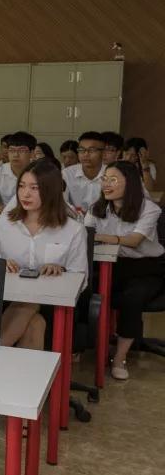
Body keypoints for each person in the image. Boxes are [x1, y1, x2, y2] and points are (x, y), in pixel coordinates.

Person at [0, 160, 87, 349]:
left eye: (34, 188)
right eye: (22, 186)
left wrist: (61, 269)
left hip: (55, 305)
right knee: (35, 322)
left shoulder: (73, 229)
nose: (25, 194)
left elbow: (81, 278)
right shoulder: (3, 225)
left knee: (30, 306)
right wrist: (2, 265)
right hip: (7, 300)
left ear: (51, 191)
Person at [85, 161, 165, 380]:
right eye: (104, 179)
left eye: (113, 180)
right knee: (82, 289)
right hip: (110, 264)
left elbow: (134, 240)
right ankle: (82, 345)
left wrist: (100, 237)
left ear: (130, 183)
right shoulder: (97, 208)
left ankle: (119, 357)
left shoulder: (149, 208)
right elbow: (84, 236)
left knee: (132, 298)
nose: (106, 184)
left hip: (146, 268)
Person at [0, 131, 36, 215]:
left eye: (21, 150)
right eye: (12, 150)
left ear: (32, 153)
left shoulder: (40, 173)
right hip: (6, 214)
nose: (15, 155)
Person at [62, 131, 105, 215]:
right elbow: (62, 203)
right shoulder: (67, 174)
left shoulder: (111, 174)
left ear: (103, 153)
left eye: (91, 150)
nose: (86, 154)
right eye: (81, 150)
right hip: (74, 219)